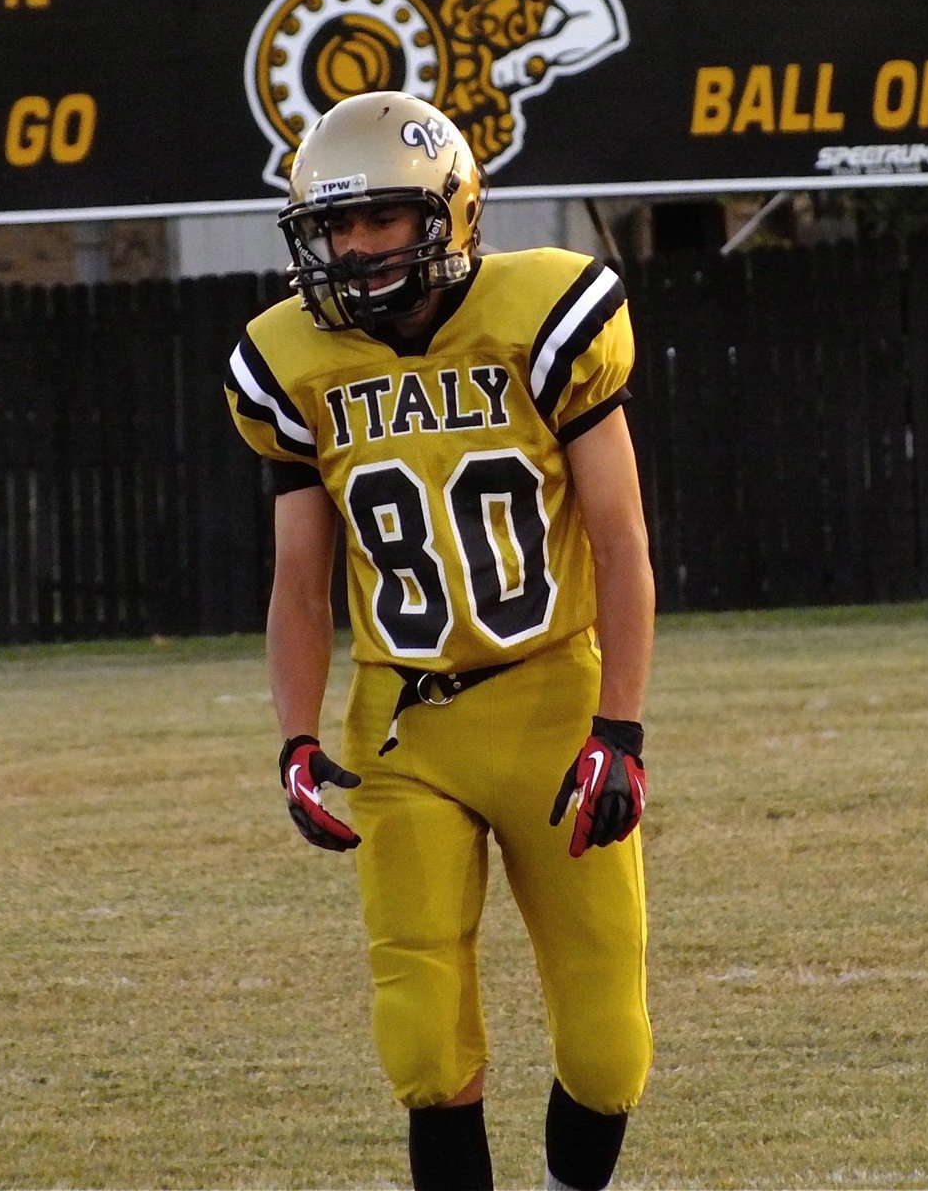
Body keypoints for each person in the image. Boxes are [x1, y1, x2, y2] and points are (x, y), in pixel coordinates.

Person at [224, 90, 654, 1191]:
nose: (356, 247)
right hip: (404, 721)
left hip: (553, 701)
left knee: (607, 1051)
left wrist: (623, 726)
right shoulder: (295, 363)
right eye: (336, 226)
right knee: (421, 1035)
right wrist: (293, 740)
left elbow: (617, 539)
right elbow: (298, 583)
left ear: (452, 213)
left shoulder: (543, 316)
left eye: (382, 219)